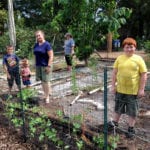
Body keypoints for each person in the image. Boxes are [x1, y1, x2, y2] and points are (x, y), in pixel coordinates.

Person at [108, 37, 147, 138]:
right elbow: (114, 73)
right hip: (120, 89)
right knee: (118, 108)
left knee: (132, 111)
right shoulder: (119, 58)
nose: (129, 49)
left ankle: (131, 129)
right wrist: (113, 86)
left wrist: (141, 89)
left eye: (131, 47)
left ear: (135, 48)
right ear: (123, 48)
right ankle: (114, 124)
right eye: (127, 47)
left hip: (133, 91)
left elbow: (143, 74)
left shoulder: (139, 59)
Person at [33, 30, 53, 104]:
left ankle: (47, 96)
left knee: (46, 81)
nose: (38, 37)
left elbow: (51, 56)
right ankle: (47, 93)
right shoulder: (36, 45)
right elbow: (35, 55)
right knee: (42, 80)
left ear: (43, 35)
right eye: (37, 36)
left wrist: (49, 66)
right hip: (38, 65)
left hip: (45, 65)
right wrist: (35, 64)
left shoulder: (47, 44)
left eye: (39, 35)